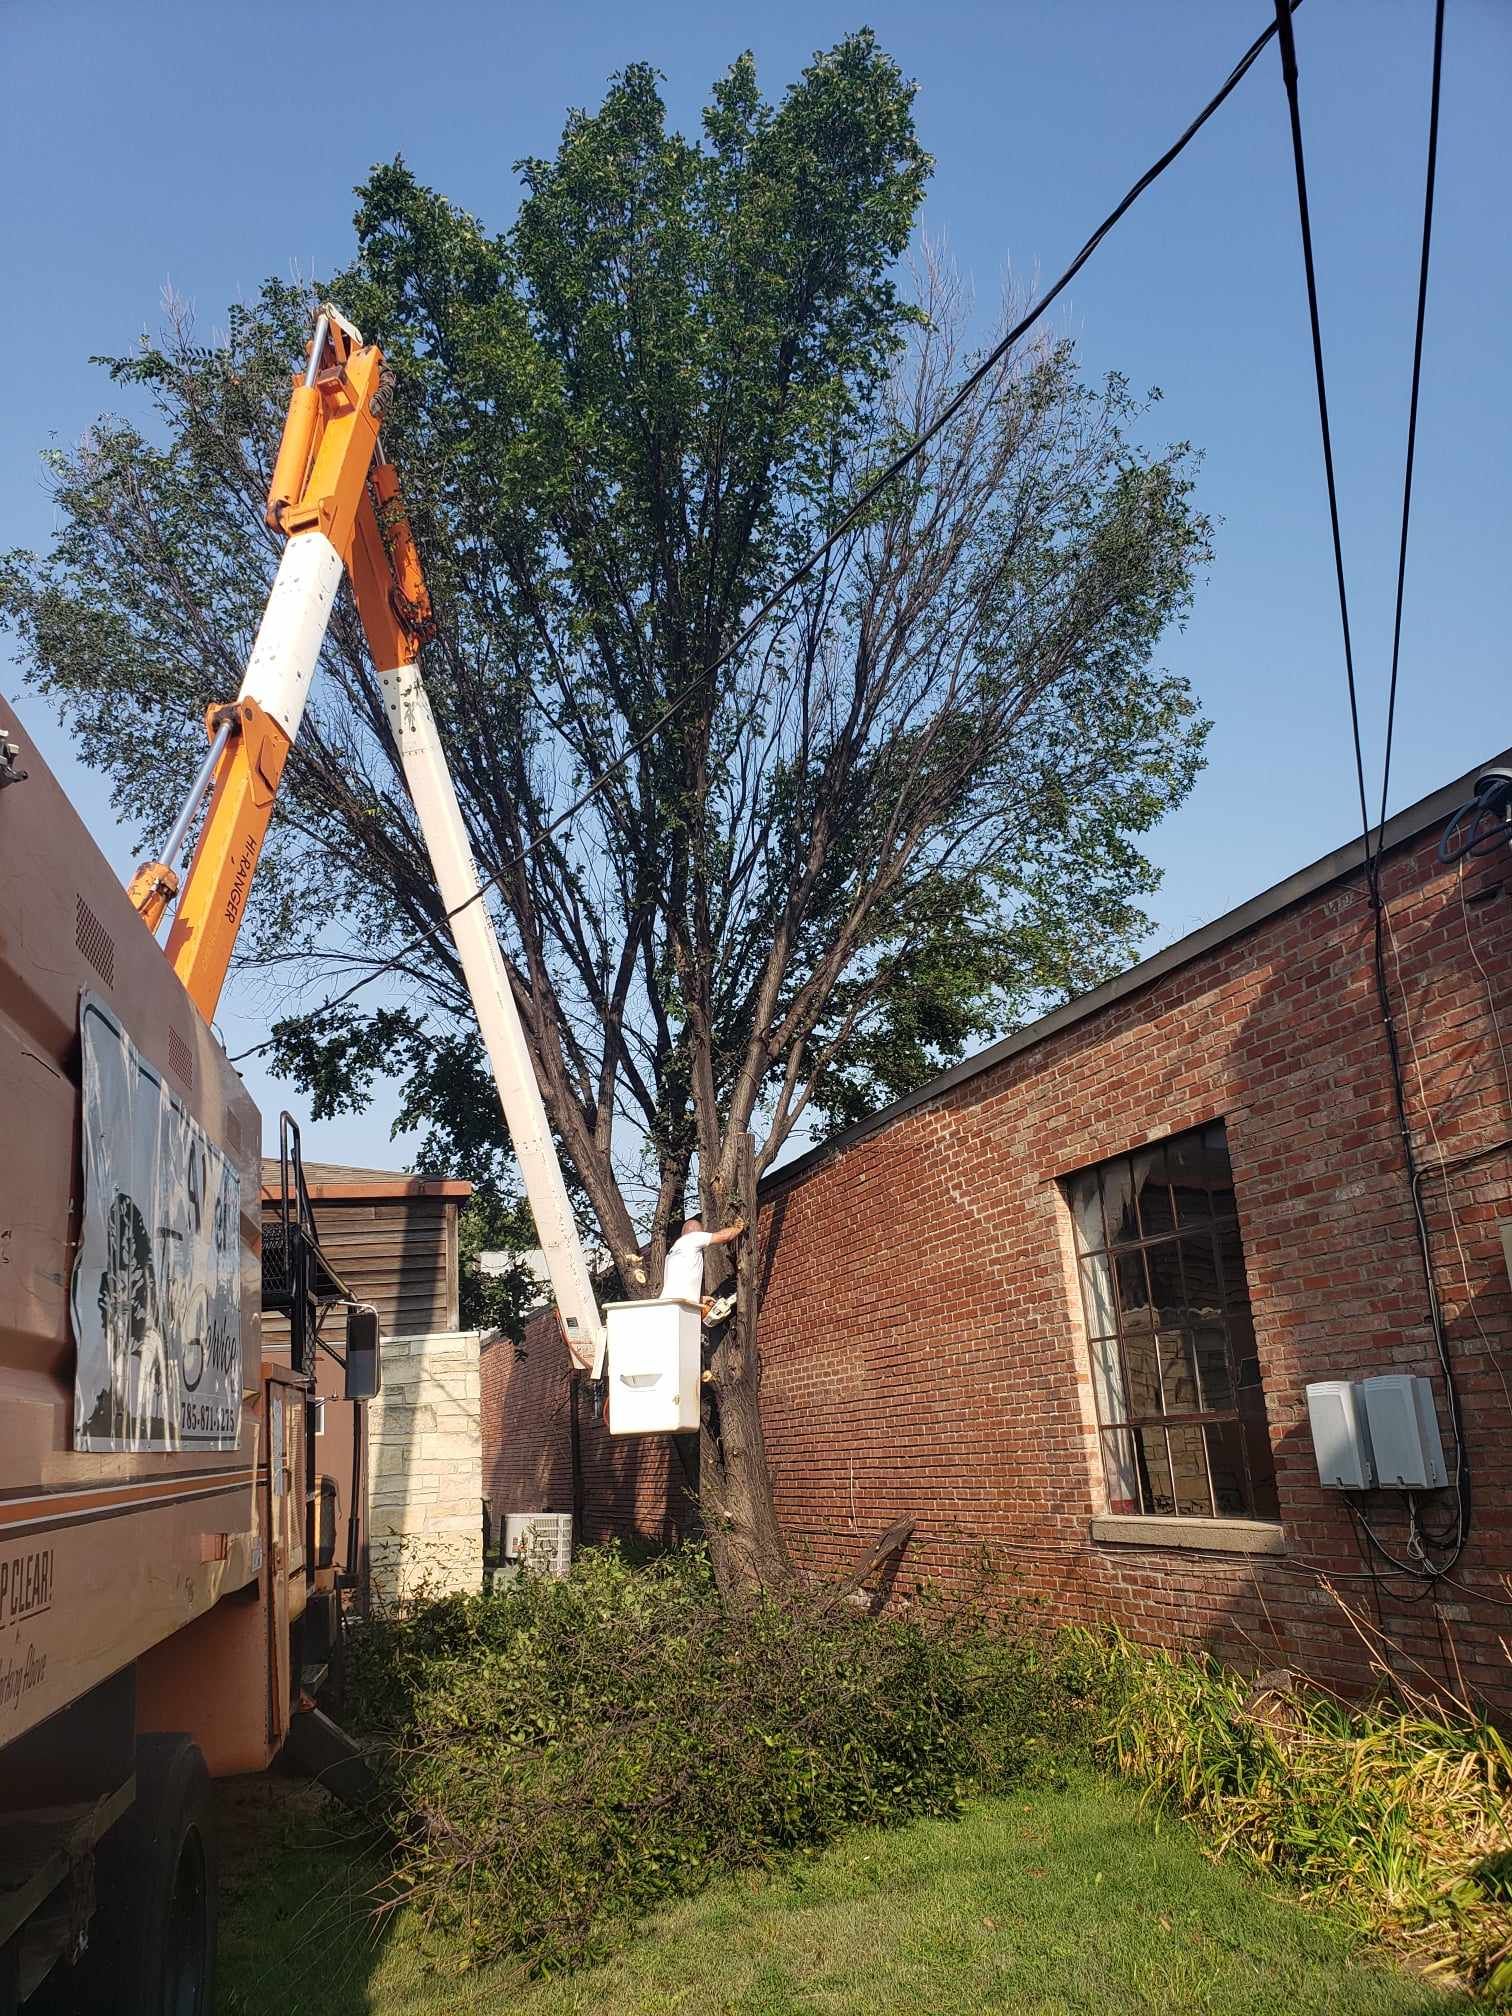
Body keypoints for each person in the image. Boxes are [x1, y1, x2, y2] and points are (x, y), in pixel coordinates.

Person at [661, 1215, 744, 1319]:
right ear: (698, 1233)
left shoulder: (673, 1252)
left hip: (666, 1304)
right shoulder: (692, 1238)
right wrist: (738, 1227)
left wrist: (699, 1299)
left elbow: (679, 1284)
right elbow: (724, 1236)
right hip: (681, 1306)